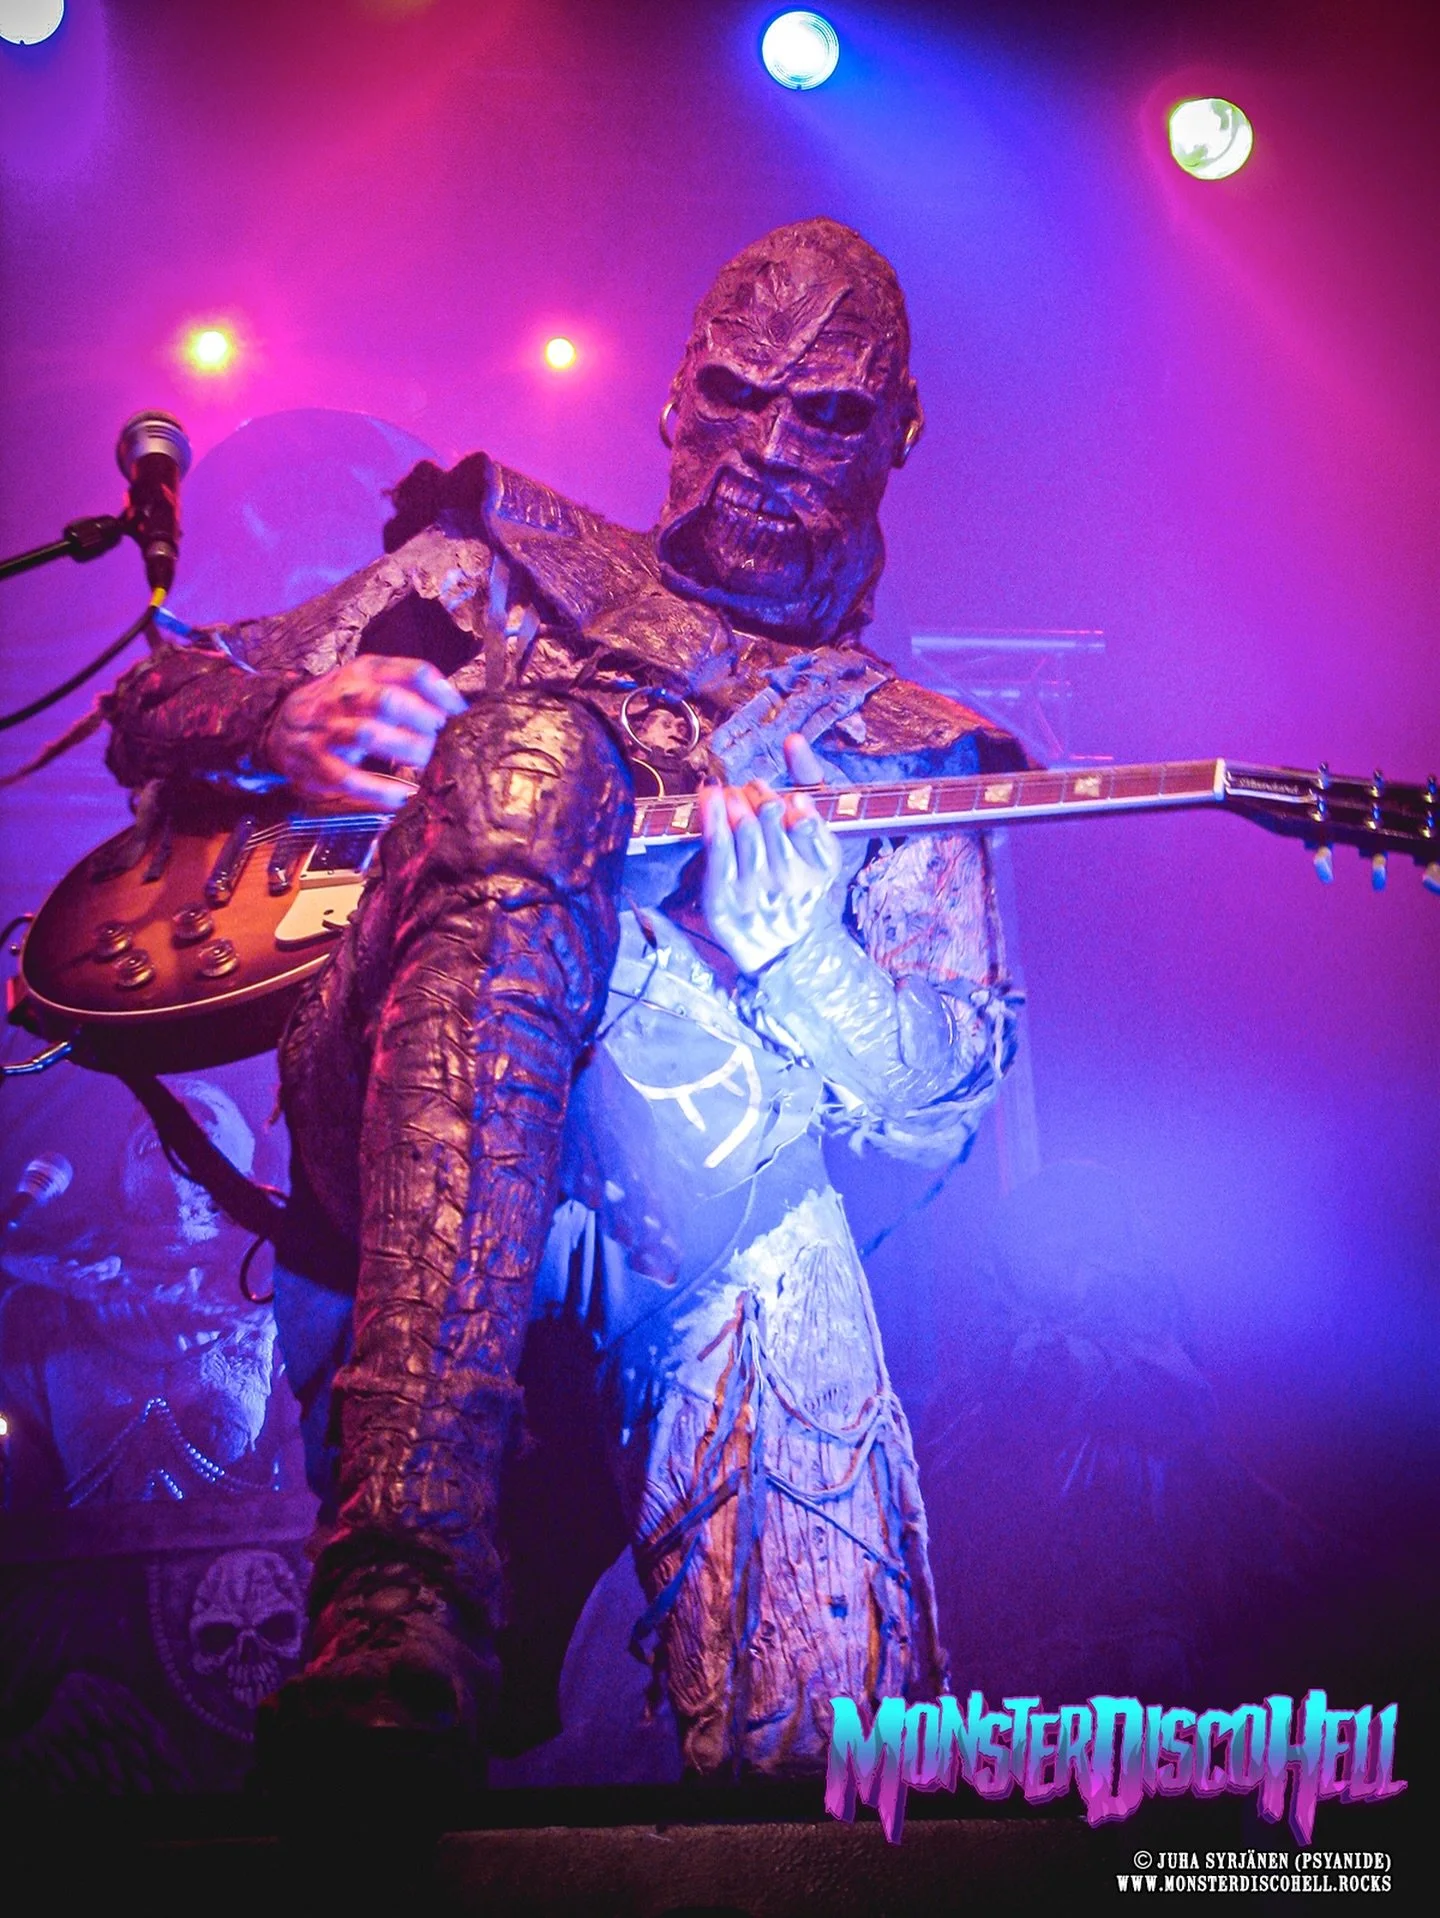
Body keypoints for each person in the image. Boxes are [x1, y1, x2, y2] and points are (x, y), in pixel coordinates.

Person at [99, 218, 1026, 1779]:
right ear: (671, 397)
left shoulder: (917, 746)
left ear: (902, 433)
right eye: (734, 396)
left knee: (837, 1764)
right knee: (529, 753)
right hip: (403, 1097)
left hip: (709, 1198)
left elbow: (946, 1089)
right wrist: (287, 713)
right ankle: (399, 1580)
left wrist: (804, 957)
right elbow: (154, 700)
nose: (767, 450)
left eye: (829, 415)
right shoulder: (496, 570)